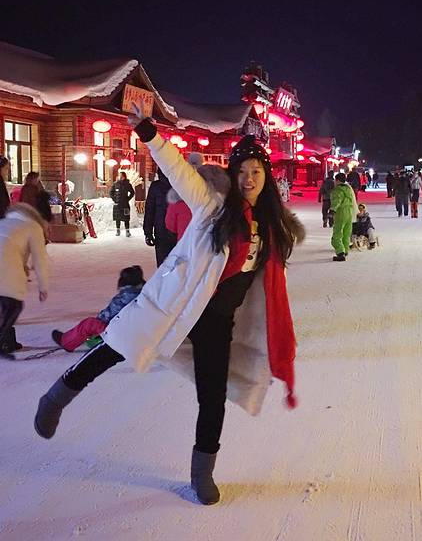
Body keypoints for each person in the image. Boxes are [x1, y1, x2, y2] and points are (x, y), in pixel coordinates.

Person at [34, 120, 305, 506]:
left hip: (217, 323)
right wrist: (148, 132)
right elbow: (178, 170)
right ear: (232, 175)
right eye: (242, 171)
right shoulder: (213, 206)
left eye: (256, 172)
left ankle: (202, 472)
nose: (249, 179)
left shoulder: (272, 228)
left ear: (267, 177)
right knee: (118, 344)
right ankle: (56, 397)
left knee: (212, 396)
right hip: (175, 304)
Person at [0, 196, 51, 357]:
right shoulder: (33, 227)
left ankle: (7, 340)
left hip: (8, 265)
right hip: (7, 266)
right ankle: (3, 341)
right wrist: (43, 286)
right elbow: (39, 260)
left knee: (5, 305)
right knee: (14, 306)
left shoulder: (4, 222)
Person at [51, 266, 145, 352]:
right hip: (128, 328)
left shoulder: (126, 297)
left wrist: (100, 319)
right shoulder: (140, 293)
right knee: (93, 325)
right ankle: (82, 338)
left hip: (118, 330)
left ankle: (66, 342)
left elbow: (112, 314)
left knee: (89, 324)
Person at [166, 164, 231, 241]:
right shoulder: (223, 203)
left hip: (186, 244)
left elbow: (170, 225)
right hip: (213, 245)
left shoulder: (179, 200)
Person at [144, 168, 177, 265]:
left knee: (162, 262)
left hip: (160, 229)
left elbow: (150, 210)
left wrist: (148, 232)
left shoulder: (155, 187)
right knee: (177, 263)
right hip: (177, 229)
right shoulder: (179, 185)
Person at [329, 172, 357, 261]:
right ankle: (345, 250)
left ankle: (340, 253)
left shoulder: (337, 190)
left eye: (335, 180)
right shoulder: (348, 189)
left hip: (341, 212)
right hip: (349, 212)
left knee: (337, 233)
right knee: (346, 233)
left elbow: (337, 201)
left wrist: (332, 210)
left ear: (337, 180)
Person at [110, 171, 135, 237]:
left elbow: (132, 192)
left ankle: (127, 231)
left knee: (126, 218)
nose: (120, 177)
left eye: (121, 176)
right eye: (119, 175)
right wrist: (114, 199)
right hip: (117, 204)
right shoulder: (115, 184)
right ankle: (118, 230)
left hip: (125, 204)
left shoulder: (128, 184)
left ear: (124, 177)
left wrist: (128, 199)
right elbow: (111, 193)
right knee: (117, 218)